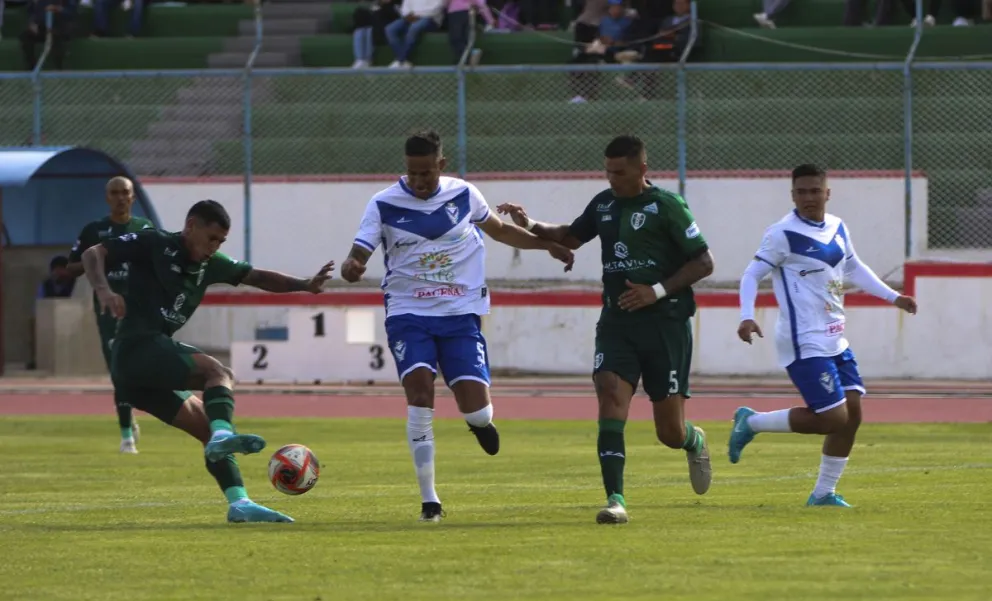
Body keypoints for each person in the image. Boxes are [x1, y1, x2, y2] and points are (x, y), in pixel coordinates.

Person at [339, 129, 575, 523]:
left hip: (460, 312)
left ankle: (479, 423)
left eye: (427, 173)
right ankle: (429, 500)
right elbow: (359, 251)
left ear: (441, 165)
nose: (419, 181)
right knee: (419, 392)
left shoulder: (464, 194)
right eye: (413, 173)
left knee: (476, 408)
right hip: (408, 311)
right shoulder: (382, 203)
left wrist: (546, 244)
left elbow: (500, 230)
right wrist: (352, 266)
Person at [496, 134, 715, 525]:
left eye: (620, 172)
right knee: (610, 394)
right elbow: (569, 235)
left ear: (642, 169)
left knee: (669, 432)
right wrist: (530, 223)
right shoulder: (604, 204)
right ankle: (616, 499)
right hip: (617, 322)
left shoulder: (667, 206)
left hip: (665, 325)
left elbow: (704, 262)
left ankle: (692, 439)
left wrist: (655, 291)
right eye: (608, 172)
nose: (612, 179)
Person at [80, 199, 335, 524]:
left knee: (207, 427)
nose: (215, 247)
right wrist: (103, 290)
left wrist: (305, 285)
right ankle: (222, 437)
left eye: (221, 241)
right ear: (191, 227)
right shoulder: (154, 242)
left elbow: (257, 276)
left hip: (137, 376)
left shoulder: (212, 264)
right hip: (136, 348)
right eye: (211, 238)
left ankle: (239, 503)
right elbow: (93, 253)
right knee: (217, 372)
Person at [730, 164, 918, 508]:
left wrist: (894, 297)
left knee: (853, 415)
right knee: (832, 418)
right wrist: (746, 316)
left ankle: (823, 494)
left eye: (815, 191)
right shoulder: (782, 234)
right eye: (801, 192)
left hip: (835, 338)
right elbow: (751, 275)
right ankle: (752, 422)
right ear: (792, 195)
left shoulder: (837, 227)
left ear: (827, 193)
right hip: (804, 341)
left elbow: (854, 267)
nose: (809, 198)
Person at [61, 177, 155, 454]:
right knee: (119, 370)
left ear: (133, 197)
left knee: (143, 367)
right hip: (108, 311)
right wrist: (96, 260)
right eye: (114, 193)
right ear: (107, 198)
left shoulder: (145, 229)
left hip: (141, 308)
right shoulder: (94, 230)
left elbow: (160, 262)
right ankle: (126, 435)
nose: (120, 198)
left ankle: (131, 408)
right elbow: (71, 267)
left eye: (125, 192)